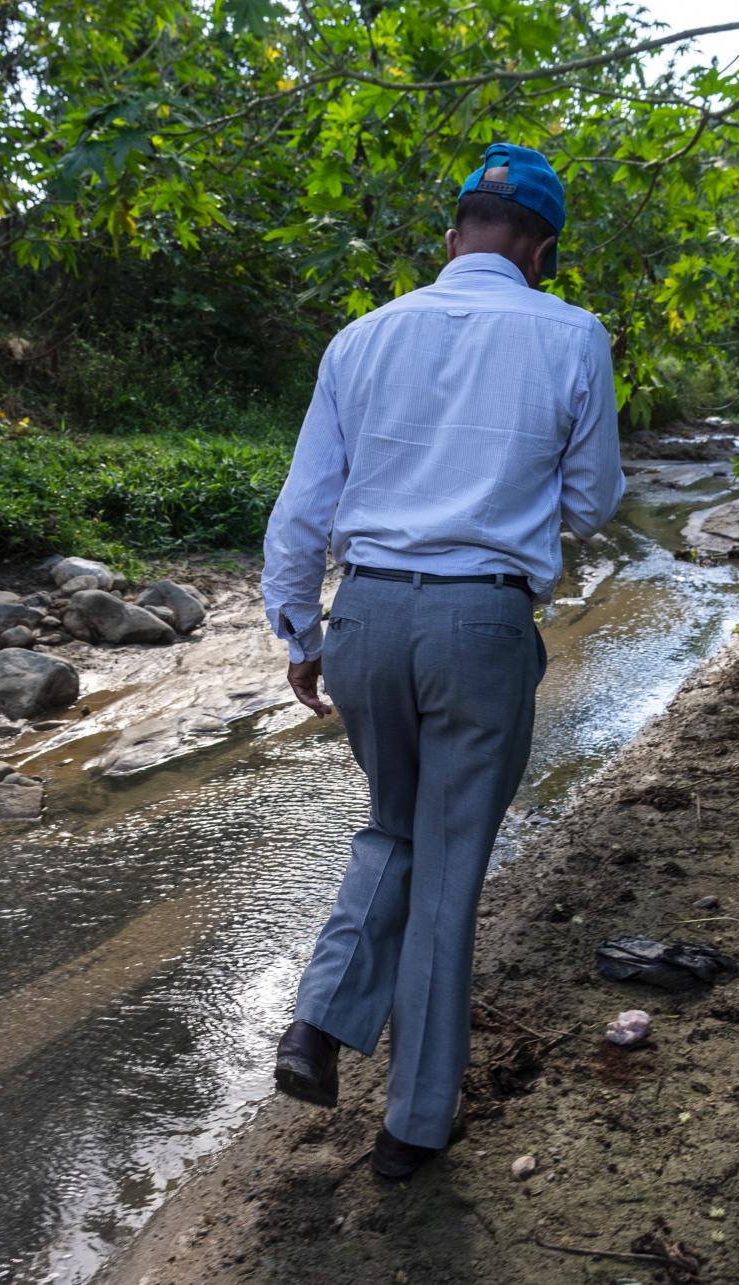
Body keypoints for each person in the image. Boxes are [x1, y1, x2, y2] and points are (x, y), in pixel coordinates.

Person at [260, 141, 625, 1181]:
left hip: (364, 612)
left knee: (392, 826)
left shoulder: (362, 337)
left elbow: (302, 510)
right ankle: (411, 1129)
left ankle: (318, 1026)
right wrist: (505, 515)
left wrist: (299, 634)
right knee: (450, 864)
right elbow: (593, 499)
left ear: (452, 232)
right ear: (539, 251)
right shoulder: (571, 336)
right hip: (480, 623)